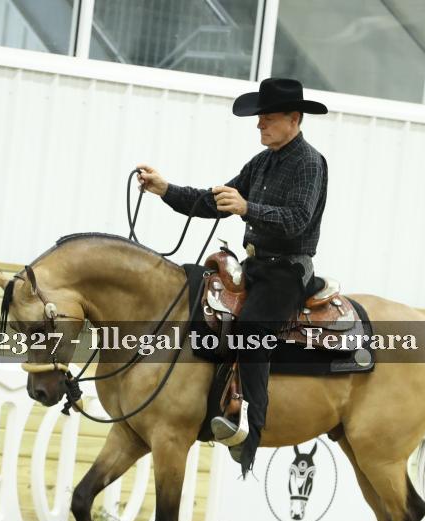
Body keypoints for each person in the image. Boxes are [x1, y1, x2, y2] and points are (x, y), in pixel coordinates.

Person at [137, 77, 329, 474]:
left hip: (287, 271)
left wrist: (247, 208)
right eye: (260, 117)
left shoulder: (310, 163)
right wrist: (165, 189)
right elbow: (215, 201)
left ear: (294, 119)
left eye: (268, 117)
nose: (260, 124)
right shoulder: (262, 162)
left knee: (253, 329)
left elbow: (297, 220)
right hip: (255, 265)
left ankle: (249, 430)